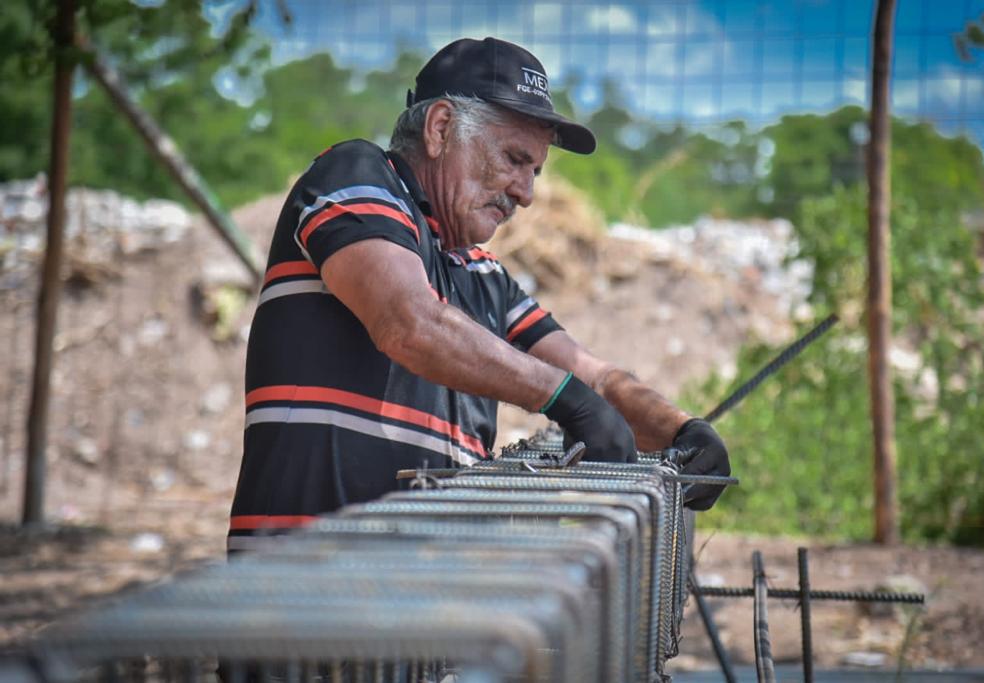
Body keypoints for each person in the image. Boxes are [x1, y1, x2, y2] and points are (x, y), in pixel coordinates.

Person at [227, 37, 729, 550]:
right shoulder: (355, 175)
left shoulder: (484, 275)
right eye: (514, 159)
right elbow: (409, 324)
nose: (526, 194)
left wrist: (680, 429)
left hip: (412, 587)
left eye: (535, 171)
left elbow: (592, 378)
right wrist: (562, 398)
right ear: (440, 128)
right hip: (299, 579)